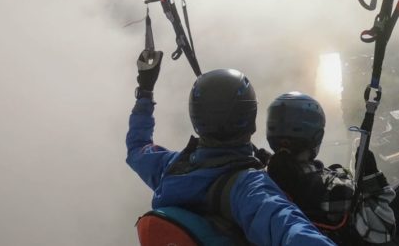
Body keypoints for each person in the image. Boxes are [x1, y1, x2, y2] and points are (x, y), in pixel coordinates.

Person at [127, 50, 337, 246]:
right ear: (252, 120)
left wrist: (145, 91)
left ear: (196, 118)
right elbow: (292, 231)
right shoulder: (249, 188)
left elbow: (138, 147)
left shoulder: (171, 168)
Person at [264, 92, 399, 246]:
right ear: (315, 135)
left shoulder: (268, 176)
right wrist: (373, 179)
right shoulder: (329, 190)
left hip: (330, 232)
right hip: (358, 236)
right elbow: (381, 228)